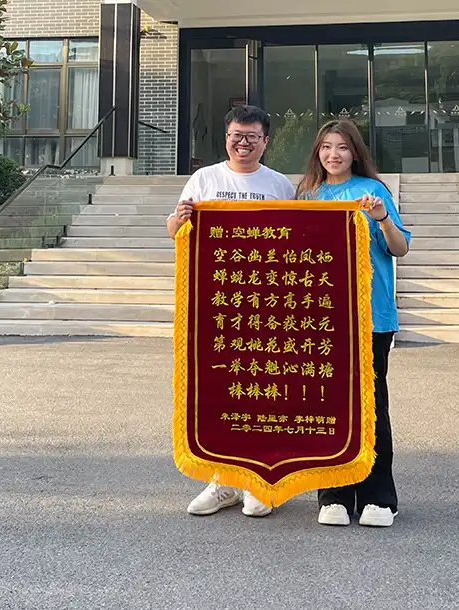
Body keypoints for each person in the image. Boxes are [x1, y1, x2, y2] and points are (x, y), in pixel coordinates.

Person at [167, 105, 296, 518]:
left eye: (251, 137)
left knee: (261, 391)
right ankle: (223, 481)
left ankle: (258, 482)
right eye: (236, 136)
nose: (243, 143)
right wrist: (179, 219)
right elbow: (173, 230)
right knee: (221, 391)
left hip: (265, 304)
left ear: (265, 141)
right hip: (216, 305)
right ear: (226, 138)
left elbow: (297, 239)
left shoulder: (279, 185)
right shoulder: (204, 179)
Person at [296, 119, 411, 528]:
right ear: (318, 152)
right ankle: (334, 495)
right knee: (327, 406)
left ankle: (379, 497)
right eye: (326, 147)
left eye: (342, 147)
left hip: (371, 317)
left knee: (373, 405)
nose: (334, 154)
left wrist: (382, 218)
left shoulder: (373, 191)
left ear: (355, 152)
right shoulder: (307, 195)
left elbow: (400, 248)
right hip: (323, 320)